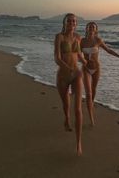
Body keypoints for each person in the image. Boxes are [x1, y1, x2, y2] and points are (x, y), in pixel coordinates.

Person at [81, 21, 119, 126]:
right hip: (86, 69)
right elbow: (76, 54)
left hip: (96, 68)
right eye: (89, 27)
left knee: (93, 90)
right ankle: (91, 118)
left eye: (93, 27)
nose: (91, 28)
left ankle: (91, 104)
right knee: (88, 93)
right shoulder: (82, 41)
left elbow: (108, 50)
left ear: (96, 30)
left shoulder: (98, 40)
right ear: (86, 29)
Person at [54, 13, 87, 156]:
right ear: (65, 23)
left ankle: (78, 142)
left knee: (78, 108)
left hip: (77, 74)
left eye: (74, 21)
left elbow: (78, 54)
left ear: (76, 23)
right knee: (66, 104)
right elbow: (57, 57)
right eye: (69, 21)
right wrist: (67, 68)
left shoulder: (78, 37)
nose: (72, 23)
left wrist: (85, 62)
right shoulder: (59, 37)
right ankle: (66, 119)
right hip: (63, 75)